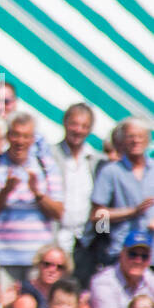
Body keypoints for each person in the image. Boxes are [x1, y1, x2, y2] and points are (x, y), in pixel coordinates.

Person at [0, 111, 64, 283]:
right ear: (8, 136)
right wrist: (5, 193)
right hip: (0, 259)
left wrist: (38, 194)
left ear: (33, 138)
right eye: (16, 135)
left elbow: (58, 212)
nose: (20, 141)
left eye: (26, 136)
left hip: (38, 260)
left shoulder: (47, 166)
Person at [86, 118, 154, 277]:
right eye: (131, 136)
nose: (136, 140)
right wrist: (131, 212)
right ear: (123, 141)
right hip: (119, 254)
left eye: (140, 136)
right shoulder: (110, 172)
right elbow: (97, 219)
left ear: (148, 140)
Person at [52, 102, 101, 255]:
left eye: (84, 126)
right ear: (65, 123)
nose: (78, 130)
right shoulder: (50, 155)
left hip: (84, 241)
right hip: (54, 238)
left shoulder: (95, 160)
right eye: (74, 124)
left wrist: (100, 232)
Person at [89, 229, 154, 308]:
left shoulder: (150, 278)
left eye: (144, 256)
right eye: (133, 254)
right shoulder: (103, 282)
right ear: (122, 254)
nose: (138, 260)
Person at [21, 244, 73, 308]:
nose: (52, 270)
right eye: (47, 264)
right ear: (38, 264)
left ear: (65, 270)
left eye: (59, 267)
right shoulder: (25, 290)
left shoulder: (68, 292)